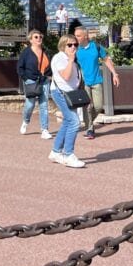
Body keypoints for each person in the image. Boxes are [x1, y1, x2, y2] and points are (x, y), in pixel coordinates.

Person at [74, 26, 120, 140]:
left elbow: (106, 59)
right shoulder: (75, 49)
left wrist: (114, 74)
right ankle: (90, 128)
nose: (76, 38)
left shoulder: (96, 47)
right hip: (83, 83)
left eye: (78, 36)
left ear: (86, 36)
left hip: (96, 81)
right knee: (87, 107)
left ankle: (89, 122)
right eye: (75, 36)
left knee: (98, 106)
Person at [48, 34, 87, 168]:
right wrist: (70, 60)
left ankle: (55, 152)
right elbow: (65, 76)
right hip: (61, 93)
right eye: (69, 45)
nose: (73, 47)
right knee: (75, 122)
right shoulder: (59, 58)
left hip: (71, 94)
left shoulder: (72, 58)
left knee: (67, 122)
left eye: (75, 45)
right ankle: (68, 154)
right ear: (63, 45)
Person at [17, 30, 52, 139]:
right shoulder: (26, 52)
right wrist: (25, 78)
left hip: (44, 81)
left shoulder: (46, 51)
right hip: (31, 80)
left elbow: (50, 66)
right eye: (36, 37)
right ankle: (25, 121)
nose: (39, 39)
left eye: (40, 37)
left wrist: (49, 76)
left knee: (44, 105)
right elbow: (20, 67)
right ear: (31, 39)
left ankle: (44, 130)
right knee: (30, 104)